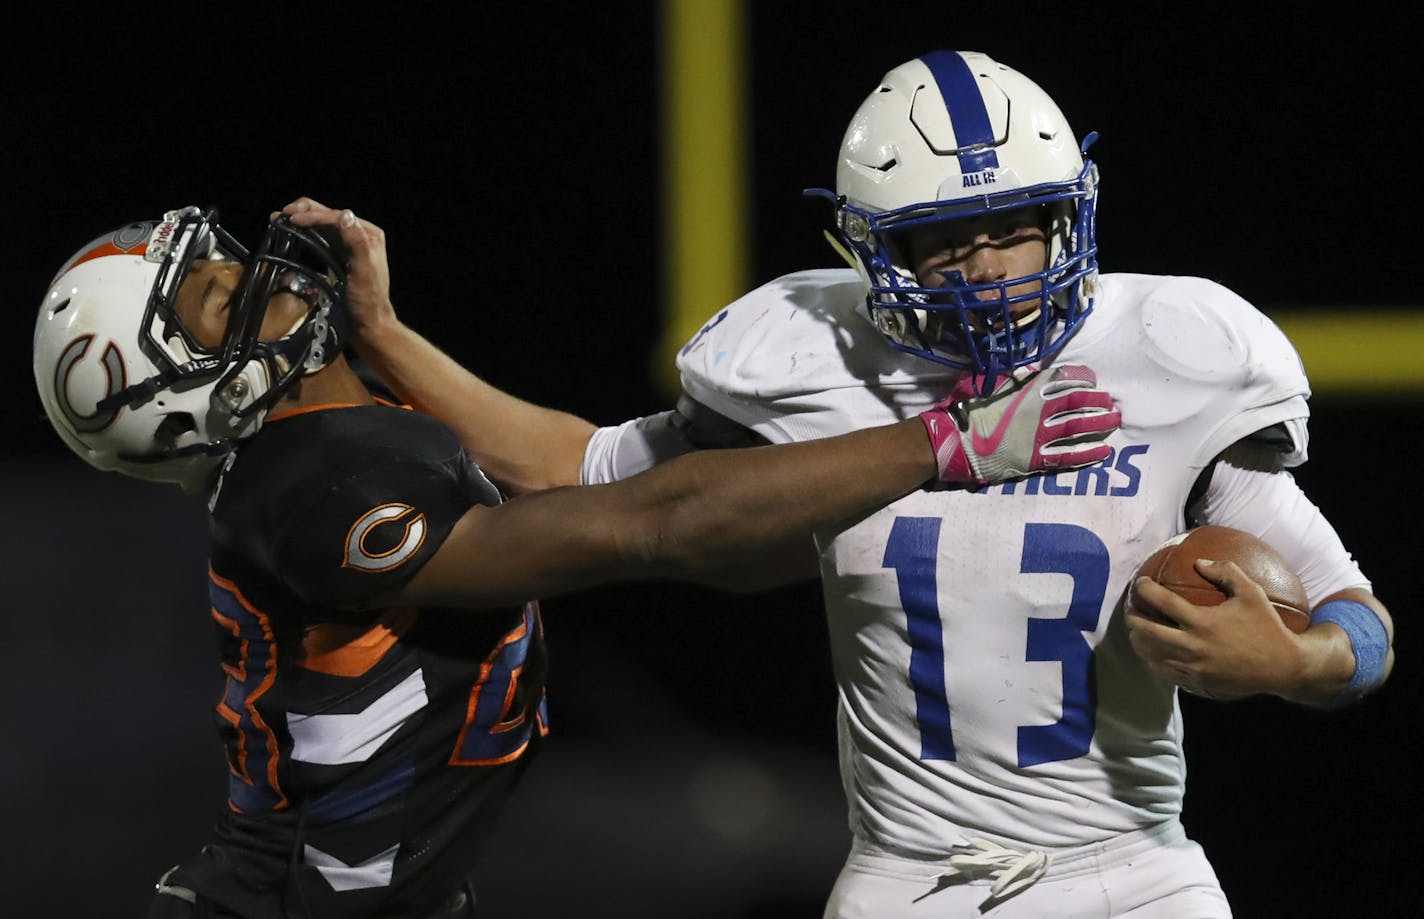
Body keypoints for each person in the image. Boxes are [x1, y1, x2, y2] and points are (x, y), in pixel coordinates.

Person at [312, 49, 1396, 918]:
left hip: (1133, 871)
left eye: (1013, 226)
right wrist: (384, 336)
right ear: (872, 248)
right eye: (940, 240)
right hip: (909, 877)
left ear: (1069, 217)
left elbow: (1359, 625)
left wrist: (1295, 656)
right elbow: (575, 467)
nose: (984, 268)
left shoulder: (1170, 353)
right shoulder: (817, 360)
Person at [30, 203, 1119, 917]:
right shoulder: (303, 490)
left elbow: (573, 463)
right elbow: (646, 525)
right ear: (174, 402)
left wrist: (391, 332)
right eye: (218, 295)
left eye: (224, 258)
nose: (252, 272)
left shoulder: (333, 416)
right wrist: (940, 445)